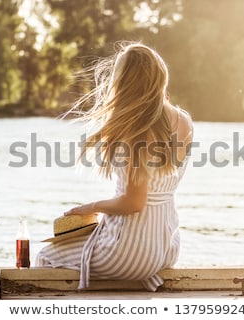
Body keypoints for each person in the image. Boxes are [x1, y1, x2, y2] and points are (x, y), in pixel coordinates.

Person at [35, 41, 193, 291]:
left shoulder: (136, 130)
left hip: (129, 251)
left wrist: (87, 208)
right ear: (160, 77)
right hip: (167, 247)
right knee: (86, 243)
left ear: (124, 83)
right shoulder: (184, 120)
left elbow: (133, 203)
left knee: (47, 254)